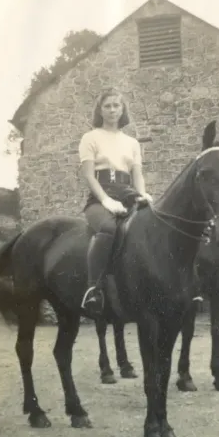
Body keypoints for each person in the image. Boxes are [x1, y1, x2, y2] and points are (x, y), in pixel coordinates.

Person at [79, 88, 153, 317]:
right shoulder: (90, 138)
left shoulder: (131, 142)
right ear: (100, 111)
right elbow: (90, 176)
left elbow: (137, 173)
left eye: (116, 106)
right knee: (110, 227)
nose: (112, 110)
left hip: (128, 191)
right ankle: (94, 289)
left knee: (152, 223)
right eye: (107, 106)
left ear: (123, 110)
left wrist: (142, 194)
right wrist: (106, 200)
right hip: (100, 196)